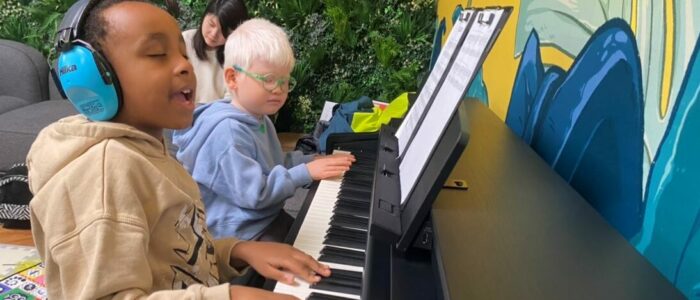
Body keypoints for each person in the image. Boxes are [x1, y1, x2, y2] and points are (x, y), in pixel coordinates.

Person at [28, 0, 329, 298]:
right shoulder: (102, 175)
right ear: (94, 78)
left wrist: (237, 251)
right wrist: (232, 296)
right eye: (158, 53)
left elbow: (184, 254)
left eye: (183, 54)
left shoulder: (152, 152)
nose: (185, 65)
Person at [173, 18, 356, 242]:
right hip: (240, 233)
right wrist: (306, 172)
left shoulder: (258, 116)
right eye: (269, 80)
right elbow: (255, 194)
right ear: (232, 78)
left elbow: (271, 165)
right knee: (310, 255)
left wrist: (309, 161)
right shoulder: (228, 134)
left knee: (323, 236)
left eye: (285, 81)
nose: (279, 90)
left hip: (261, 217)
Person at [183, 0, 248, 104]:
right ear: (204, 15)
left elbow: (231, 99)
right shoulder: (183, 42)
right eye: (211, 24)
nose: (214, 34)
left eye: (223, 31)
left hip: (214, 116)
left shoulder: (236, 57)